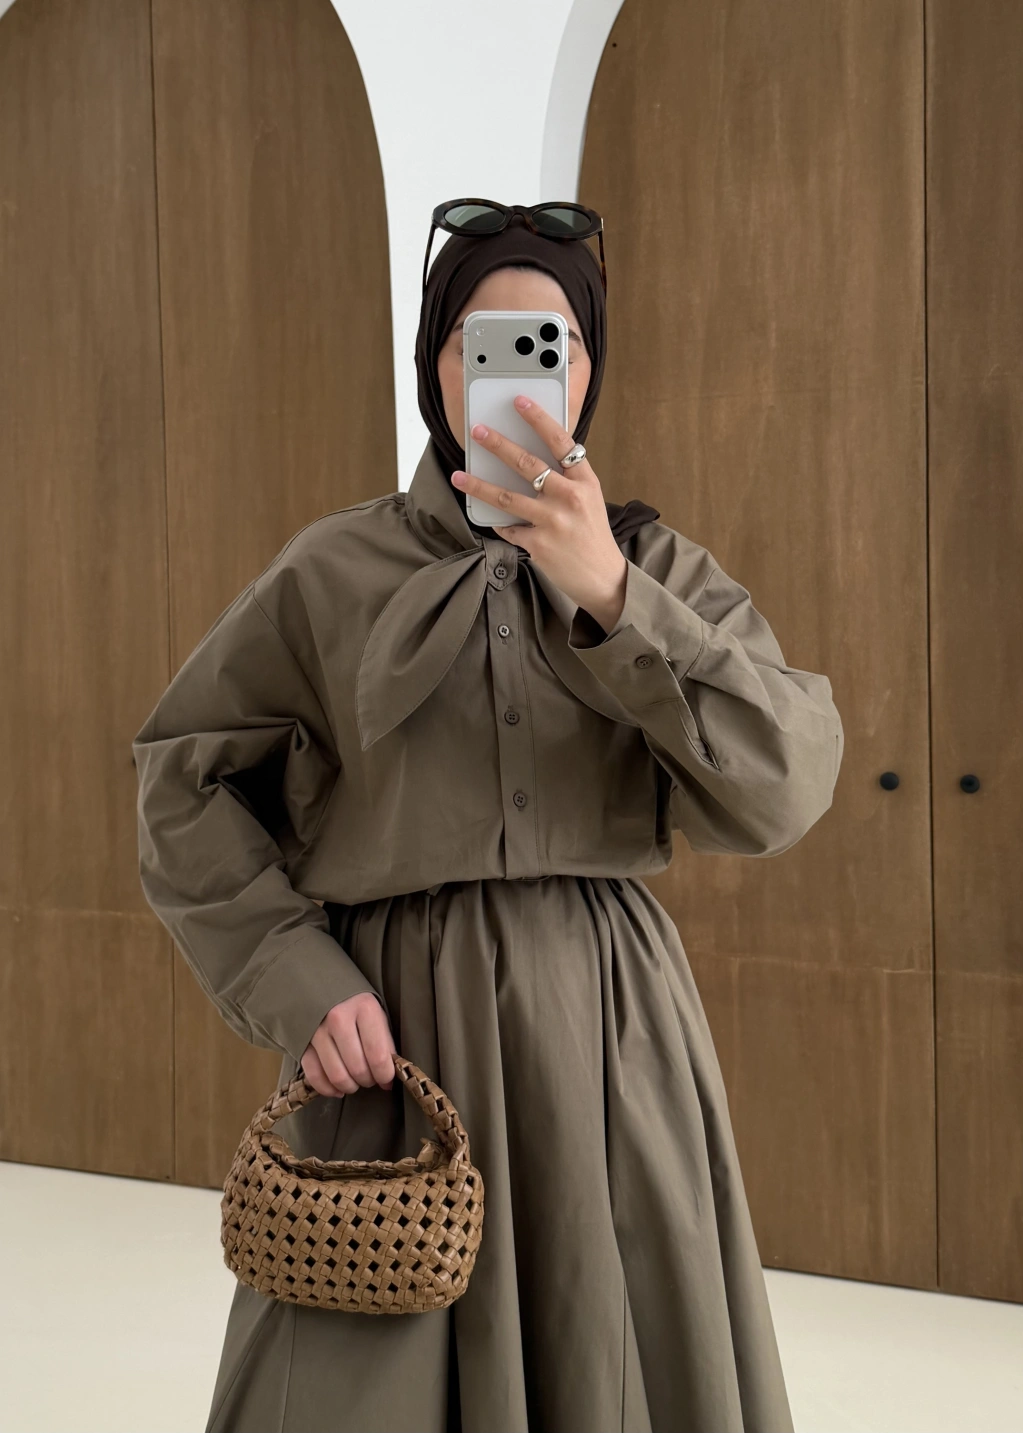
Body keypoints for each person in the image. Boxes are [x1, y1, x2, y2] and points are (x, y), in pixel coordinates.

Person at [132, 202, 843, 1433]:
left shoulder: (656, 569)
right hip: (389, 1035)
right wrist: (294, 978)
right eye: (481, 341)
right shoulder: (329, 572)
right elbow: (181, 781)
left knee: (611, 1351)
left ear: (587, 372)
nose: (515, 369)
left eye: (548, 344)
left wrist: (612, 596)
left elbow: (783, 783)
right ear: (436, 365)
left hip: (609, 1037)